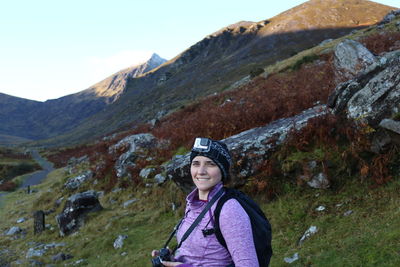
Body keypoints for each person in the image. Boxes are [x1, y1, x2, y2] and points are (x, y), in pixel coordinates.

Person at [152, 137, 259, 267]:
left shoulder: (229, 210)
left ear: (222, 171)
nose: (201, 171)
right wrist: (172, 260)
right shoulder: (193, 203)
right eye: (196, 163)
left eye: (210, 164)